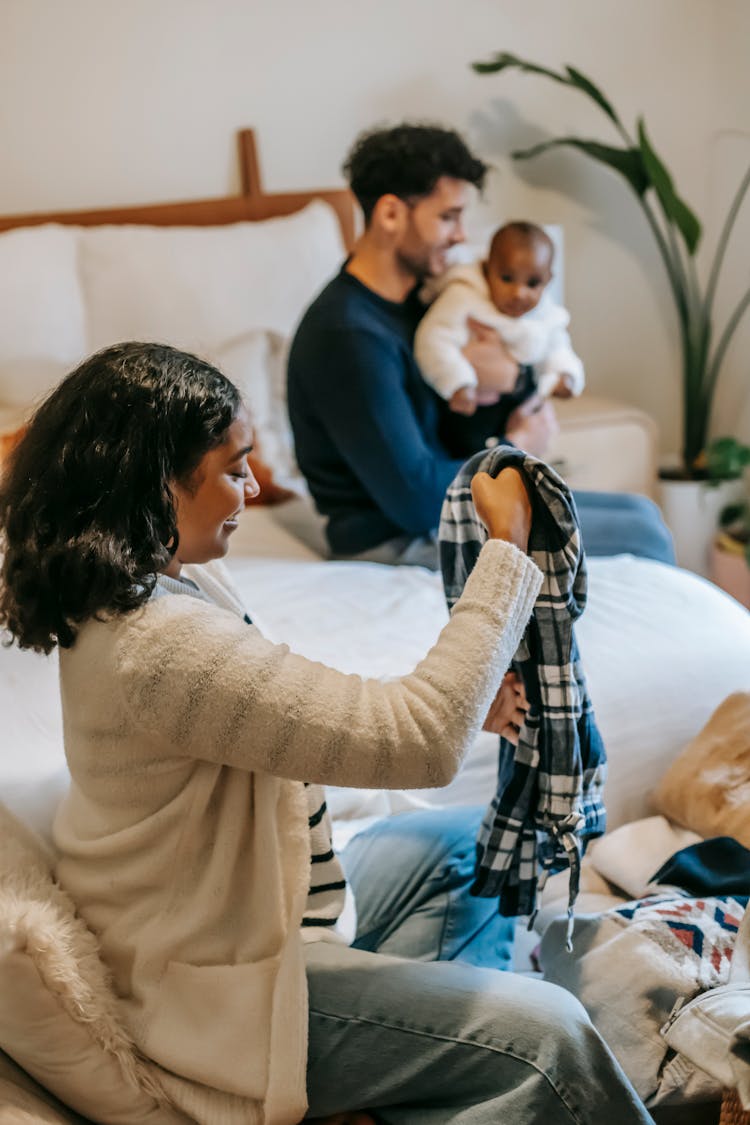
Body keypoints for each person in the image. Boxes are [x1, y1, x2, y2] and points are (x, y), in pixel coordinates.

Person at [0, 341, 653, 1124]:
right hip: (213, 989)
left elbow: (290, 711)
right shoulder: (155, 645)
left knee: (469, 849)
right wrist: (508, 550)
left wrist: (463, 696)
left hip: (239, 913)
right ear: (157, 481)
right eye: (235, 467)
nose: (251, 488)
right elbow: (423, 742)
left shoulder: (161, 573)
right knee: (552, 1037)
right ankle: (466, 1068)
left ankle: (424, 1082)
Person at [287, 122, 675, 570]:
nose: (461, 235)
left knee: (642, 511)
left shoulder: (421, 304)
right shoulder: (348, 335)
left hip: (445, 511)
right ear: (391, 214)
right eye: (448, 216)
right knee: (643, 535)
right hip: (396, 539)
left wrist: (519, 377)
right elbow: (413, 502)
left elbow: (472, 402)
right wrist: (515, 443)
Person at [414, 220, 584, 419]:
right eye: (506, 278)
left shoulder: (546, 313)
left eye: (533, 283)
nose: (519, 293)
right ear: (487, 270)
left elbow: (559, 347)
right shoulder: (464, 298)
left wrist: (566, 376)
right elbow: (433, 339)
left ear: (548, 280)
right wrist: (457, 382)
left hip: (521, 407)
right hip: (471, 407)